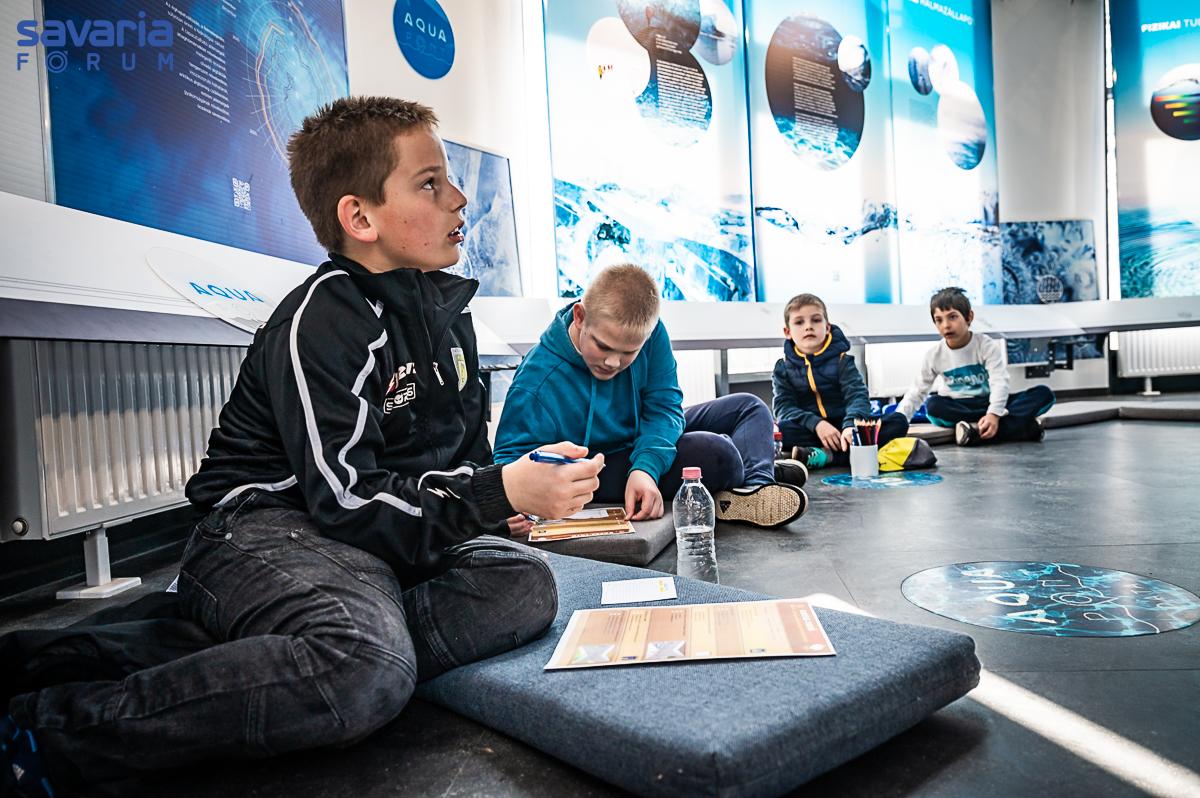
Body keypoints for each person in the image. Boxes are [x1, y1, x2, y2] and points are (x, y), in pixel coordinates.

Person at [0, 96, 604, 797]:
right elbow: (344, 498)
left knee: (523, 584)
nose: (459, 199)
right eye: (430, 183)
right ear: (360, 218)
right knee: (364, 665)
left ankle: (287, 654)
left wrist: (496, 506)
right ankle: (52, 733)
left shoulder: (448, 319)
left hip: (361, 537)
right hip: (264, 527)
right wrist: (495, 491)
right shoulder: (323, 316)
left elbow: (453, 464)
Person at [493, 264, 809, 531]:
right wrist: (512, 507)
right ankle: (751, 466)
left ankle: (757, 487)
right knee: (717, 453)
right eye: (603, 346)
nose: (612, 362)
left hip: (641, 437)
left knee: (749, 406)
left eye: (628, 352)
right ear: (579, 316)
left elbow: (665, 408)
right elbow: (509, 461)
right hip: (600, 466)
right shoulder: (536, 380)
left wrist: (645, 468)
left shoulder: (651, 332)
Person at [897, 287, 1055, 445]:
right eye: (939, 320)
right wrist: (898, 420)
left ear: (969, 317)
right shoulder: (934, 355)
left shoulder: (986, 345)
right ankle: (1021, 427)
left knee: (1044, 394)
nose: (946, 325)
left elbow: (999, 381)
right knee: (933, 406)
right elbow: (917, 391)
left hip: (988, 401)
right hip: (958, 406)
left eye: (953, 317)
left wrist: (993, 413)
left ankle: (974, 431)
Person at [773, 293, 909, 468]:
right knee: (782, 430)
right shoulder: (783, 367)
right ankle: (850, 454)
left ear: (827, 327)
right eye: (799, 322)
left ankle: (827, 456)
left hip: (846, 428)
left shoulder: (842, 361)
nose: (808, 327)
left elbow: (857, 396)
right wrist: (817, 424)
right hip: (811, 430)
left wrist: (850, 425)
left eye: (816, 320)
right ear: (787, 332)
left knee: (898, 421)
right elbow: (784, 408)